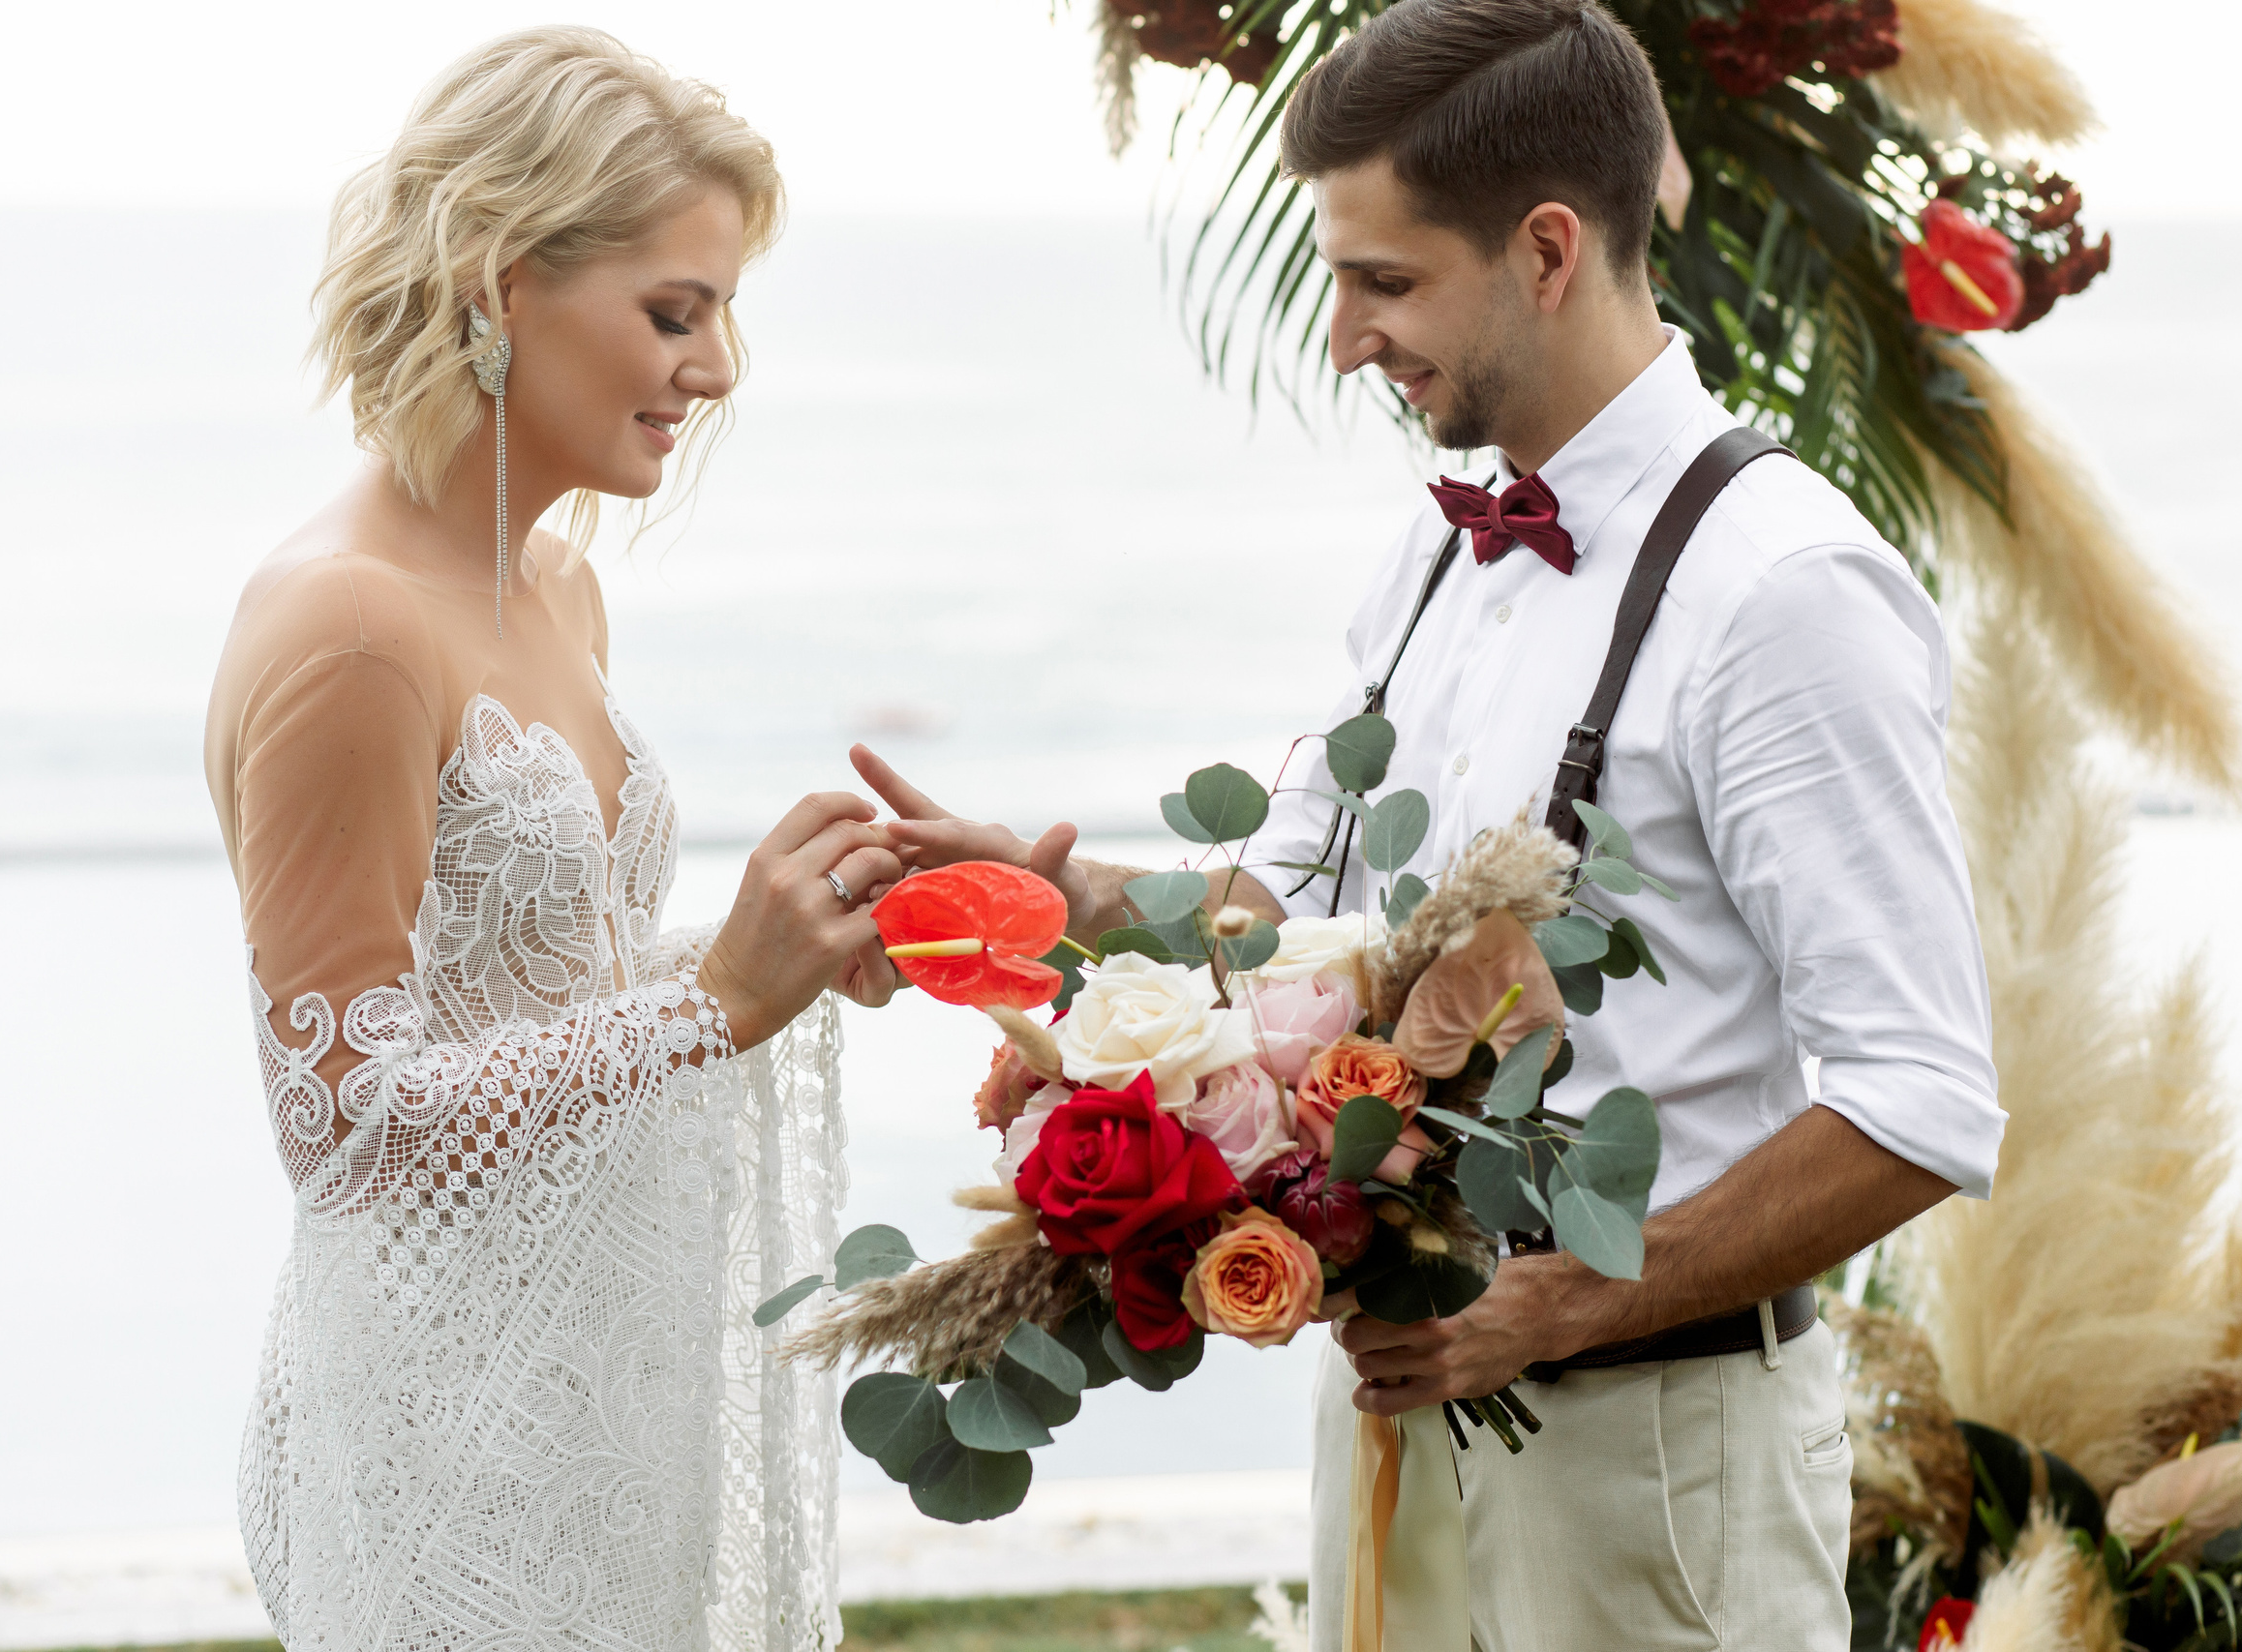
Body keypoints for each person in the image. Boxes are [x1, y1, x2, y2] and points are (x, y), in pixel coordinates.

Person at [856, 0, 2002, 1645]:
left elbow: (1922, 1100)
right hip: (1393, 1417)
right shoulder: (1434, 550)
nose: (1338, 337)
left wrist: (1566, 1303)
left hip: (1656, 1458)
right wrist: (1041, 895)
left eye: (1383, 282)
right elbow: (1289, 917)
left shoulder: (1785, 594)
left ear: (1546, 250)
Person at [204, 29, 896, 1650]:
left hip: (600, 1388)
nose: (715, 369)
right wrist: (708, 1001)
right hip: (442, 1436)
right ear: (502, 283)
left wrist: (783, 955)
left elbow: (525, 993)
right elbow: (345, 1122)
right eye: (676, 310)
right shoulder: (349, 630)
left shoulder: (561, 585)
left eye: (720, 312)